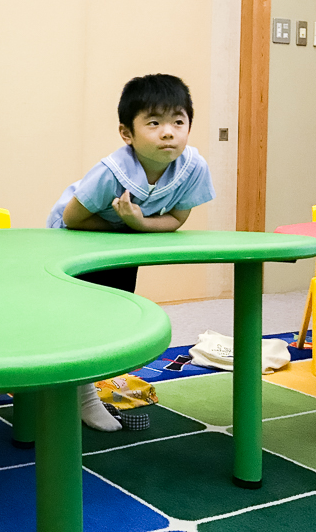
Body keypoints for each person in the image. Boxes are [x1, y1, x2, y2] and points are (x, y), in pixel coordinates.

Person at [47, 73, 215, 431]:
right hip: (76, 240)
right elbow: (72, 218)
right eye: (154, 123)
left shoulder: (192, 167)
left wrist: (137, 225)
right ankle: (81, 395)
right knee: (80, 320)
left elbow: (176, 218)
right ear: (128, 133)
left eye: (178, 121)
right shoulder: (112, 171)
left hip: (124, 240)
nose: (168, 132)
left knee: (114, 315)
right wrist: (125, 227)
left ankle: (84, 389)